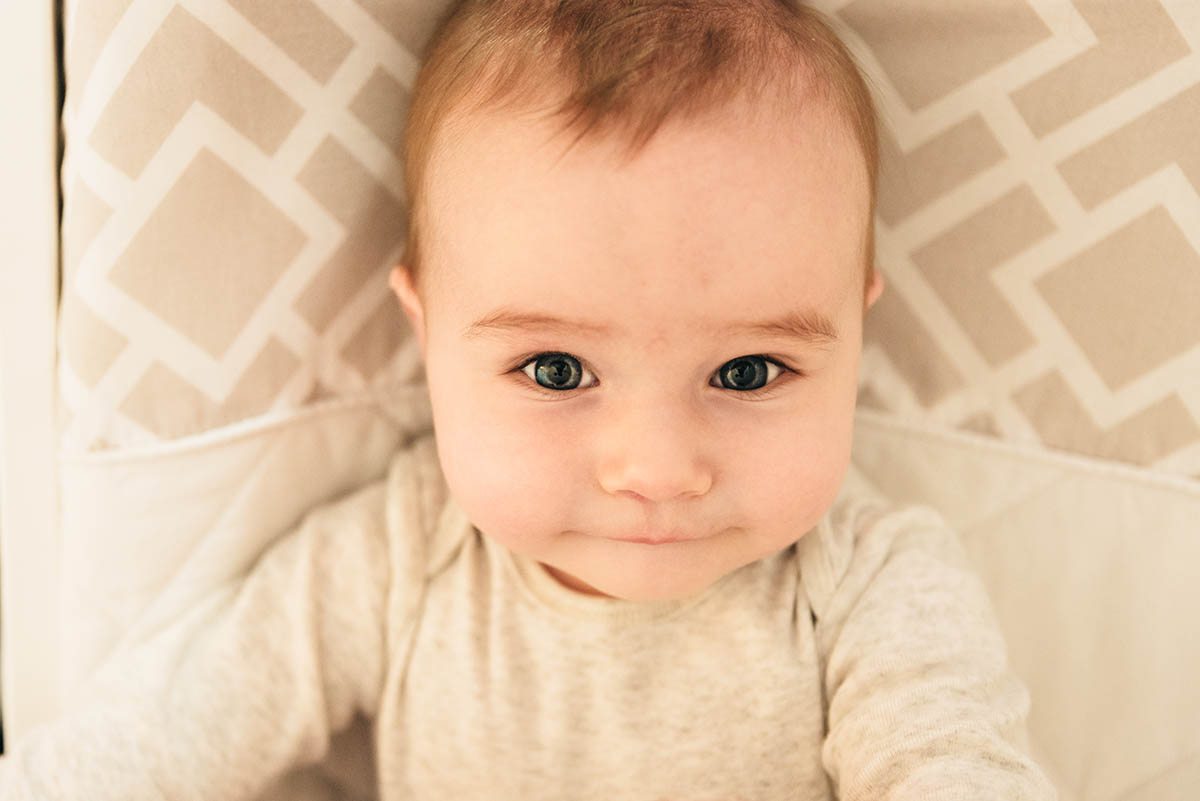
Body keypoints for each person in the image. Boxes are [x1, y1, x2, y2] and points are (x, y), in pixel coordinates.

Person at [0, 0, 1057, 798]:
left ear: (856, 335)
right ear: (427, 339)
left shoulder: (869, 584)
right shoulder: (403, 556)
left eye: (747, 373)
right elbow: (171, 732)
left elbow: (952, 760)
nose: (655, 469)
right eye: (555, 371)